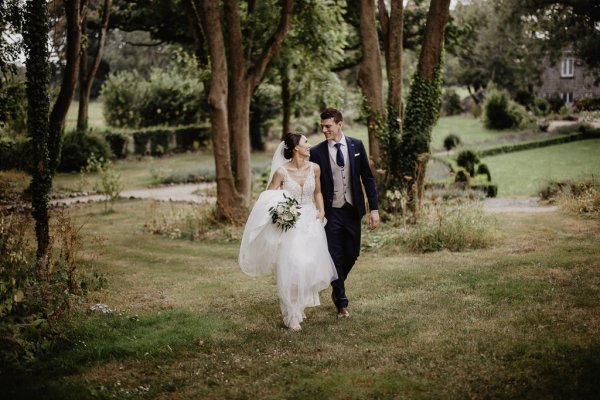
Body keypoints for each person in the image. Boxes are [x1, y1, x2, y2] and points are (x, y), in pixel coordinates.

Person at [239, 133, 338, 331]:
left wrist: (321, 210)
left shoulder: (315, 168)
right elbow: (268, 198)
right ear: (295, 148)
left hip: (311, 221)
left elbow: (318, 192)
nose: (309, 145)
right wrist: (282, 213)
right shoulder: (281, 173)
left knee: (308, 266)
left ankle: (299, 306)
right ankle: (292, 314)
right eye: (306, 142)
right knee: (293, 267)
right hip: (290, 225)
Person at [309, 108, 379, 318]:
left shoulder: (356, 145)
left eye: (328, 126)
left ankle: (335, 280)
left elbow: (367, 178)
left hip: (352, 209)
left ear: (340, 124)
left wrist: (373, 209)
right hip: (331, 212)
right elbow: (312, 183)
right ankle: (341, 300)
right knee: (334, 255)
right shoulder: (317, 151)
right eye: (322, 126)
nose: (324, 130)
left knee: (352, 254)